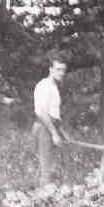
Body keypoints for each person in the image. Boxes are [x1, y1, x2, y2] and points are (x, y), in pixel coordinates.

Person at [33, 52, 70, 188]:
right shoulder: (44, 86)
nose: (61, 73)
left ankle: (46, 196)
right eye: (58, 69)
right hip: (44, 128)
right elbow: (42, 113)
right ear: (50, 69)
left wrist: (61, 132)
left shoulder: (54, 87)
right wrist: (54, 134)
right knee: (46, 169)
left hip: (51, 127)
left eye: (63, 70)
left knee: (51, 167)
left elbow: (54, 114)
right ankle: (41, 201)